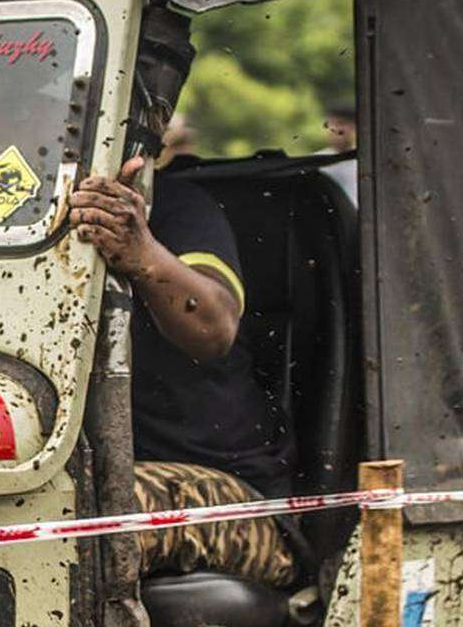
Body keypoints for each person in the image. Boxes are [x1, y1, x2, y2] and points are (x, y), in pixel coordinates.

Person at [69, 154, 299, 588]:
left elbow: (213, 327)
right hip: (95, 469)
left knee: (78, 517)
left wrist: (143, 254)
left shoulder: (173, 207)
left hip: (234, 494)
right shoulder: (8, 226)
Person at [321, 104, 358, 202]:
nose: (335, 129)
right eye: (330, 124)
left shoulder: (364, 161)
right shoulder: (317, 162)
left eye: (341, 123)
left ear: (353, 127)